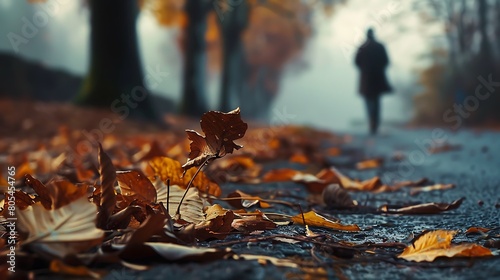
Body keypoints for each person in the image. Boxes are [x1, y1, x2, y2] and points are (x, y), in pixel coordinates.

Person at [355, 28, 392, 135]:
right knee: (377, 102)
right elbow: (386, 62)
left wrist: (364, 69)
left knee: (368, 102)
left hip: (366, 80)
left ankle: (372, 123)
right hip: (377, 79)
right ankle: (375, 124)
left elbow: (356, 62)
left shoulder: (362, 47)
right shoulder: (380, 47)